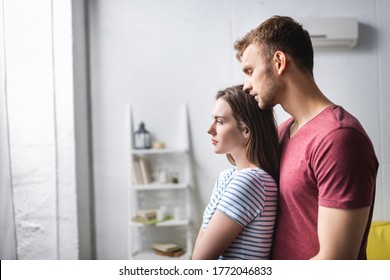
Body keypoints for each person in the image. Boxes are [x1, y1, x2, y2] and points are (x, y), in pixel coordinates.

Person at [233, 15, 379, 260]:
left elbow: (336, 260)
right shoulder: (284, 132)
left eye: (250, 70)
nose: (246, 85)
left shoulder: (339, 138)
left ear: (279, 62)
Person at [192, 84, 279, 260]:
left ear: (246, 130)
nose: (209, 129)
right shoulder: (228, 177)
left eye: (220, 121)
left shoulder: (251, 181)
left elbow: (200, 259)